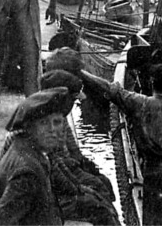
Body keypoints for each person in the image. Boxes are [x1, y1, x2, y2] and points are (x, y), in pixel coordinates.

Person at [81, 63, 162, 225]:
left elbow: (110, 89)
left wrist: (80, 73)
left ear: (151, 82)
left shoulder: (140, 102)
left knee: (152, 213)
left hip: (155, 167)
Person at [40, 71, 120, 226]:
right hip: (52, 192)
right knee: (99, 201)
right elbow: (56, 167)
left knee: (102, 184)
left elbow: (69, 151)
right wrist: (78, 188)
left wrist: (84, 164)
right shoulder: (48, 124)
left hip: (65, 173)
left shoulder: (58, 117)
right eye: (73, 99)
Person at [0, 88, 69, 225]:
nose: (52, 130)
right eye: (43, 123)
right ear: (30, 128)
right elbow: (1, 221)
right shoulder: (28, 171)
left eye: (57, 122)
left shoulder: (23, 148)